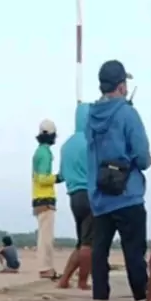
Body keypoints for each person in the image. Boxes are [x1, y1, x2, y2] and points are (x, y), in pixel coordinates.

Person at [87, 60, 151, 301]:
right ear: (121, 86)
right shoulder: (128, 113)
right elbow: (142, 158)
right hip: (127, 195)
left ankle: (99, 300)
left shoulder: (90, 116)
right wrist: (146, 160)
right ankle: (141, 299)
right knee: (134, 253)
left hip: (99, 196)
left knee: (99, 253)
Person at [57, 102, 93, 290]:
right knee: (88, 244)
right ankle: (82, 282)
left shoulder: (66, 146)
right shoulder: (91, 141)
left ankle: (64, 280)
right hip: (90, 194)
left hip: (74, 196)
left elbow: (62, 175)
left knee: (81, 242)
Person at [32, 119, 62, 279]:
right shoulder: (44, 153)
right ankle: (45, 268)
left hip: (39, 198)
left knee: (45, 236)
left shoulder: (39, 152)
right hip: (44, 199)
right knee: (46, 237)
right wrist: (58, 178)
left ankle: (46, 267)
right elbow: (42, 178)